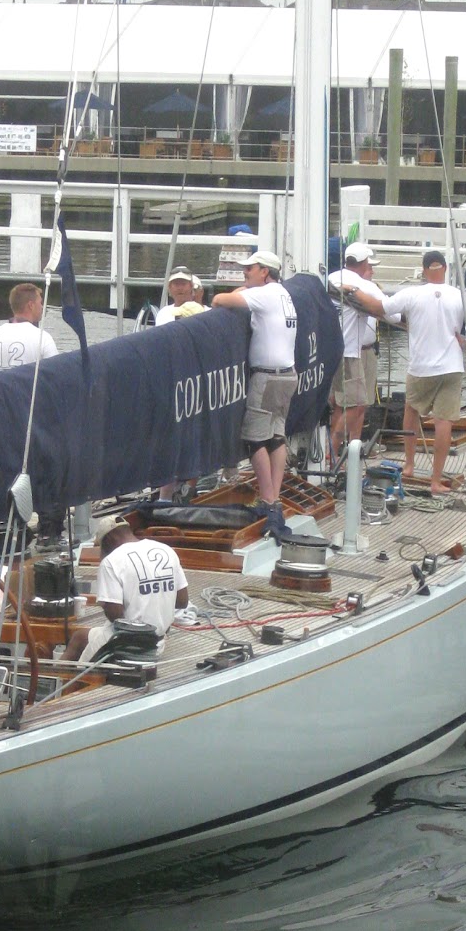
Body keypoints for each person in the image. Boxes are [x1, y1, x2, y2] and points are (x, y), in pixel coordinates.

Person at [352, 249, 466, 494]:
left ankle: (409, 465)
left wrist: (354, 291)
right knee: (443, 421)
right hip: (452, 367)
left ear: (425, 269)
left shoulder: (411, 293)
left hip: (421, 368)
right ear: (445, 269)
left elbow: (378, 306)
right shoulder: (459, 295)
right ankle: (436, 480)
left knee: (412, 411)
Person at [212, 249, 298, 539]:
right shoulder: (282, 293)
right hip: (287, 374)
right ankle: (274, 498)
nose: (245, 272)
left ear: (265, 272)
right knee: (276, 437)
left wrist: (236, 292)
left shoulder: (266, 295)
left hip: (267, 376)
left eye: (251, 268)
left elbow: (219, 300)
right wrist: (246, 288)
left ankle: (270, 501)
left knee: (253, 439)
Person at [64, 521, 190, 663]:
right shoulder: (166, 550)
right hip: (158, 642)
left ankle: (63, 681)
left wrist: (106, 601)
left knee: (78, 638)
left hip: (128, 644)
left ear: (110, 539)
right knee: (87, 636)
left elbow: (115, 616)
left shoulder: (111, 561)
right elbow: (182, 601)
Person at [327, 243, 382, 455]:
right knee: (357, 405)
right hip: (350, 353)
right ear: (364, 263)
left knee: (344, 403)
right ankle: (331, 451)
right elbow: (391, 313)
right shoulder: (364, 286)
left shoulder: (331, 278)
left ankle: (347, 450)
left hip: (333, 352)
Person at [0, 283, 58, 373]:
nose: (42, 307)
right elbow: (55, 375)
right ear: (31, 305)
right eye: (40, 303)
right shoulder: (43, 338)